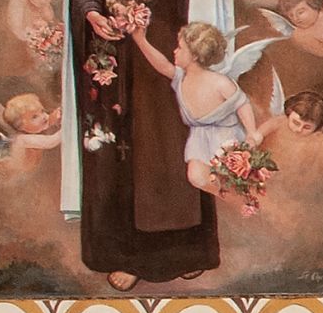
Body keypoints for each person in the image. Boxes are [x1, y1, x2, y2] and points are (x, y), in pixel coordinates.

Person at [59, 0, 236, 291]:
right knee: (125, 155)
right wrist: (93, 15)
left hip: (176, 57)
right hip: (124, 60)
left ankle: (187, 251)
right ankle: (125, 256)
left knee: (179, 151)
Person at [110, 19, 267, 206]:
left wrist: (251, 131)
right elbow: (162, 65)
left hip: (225, 137)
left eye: (180, 48)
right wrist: (141, 40)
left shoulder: (219, 82)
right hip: (199, 138)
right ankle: (237, 201)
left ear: (194, 55)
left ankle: (246, 201)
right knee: (196, 177)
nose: (175, 51)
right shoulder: (181, 78)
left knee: (230, 175)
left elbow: (242, 104)